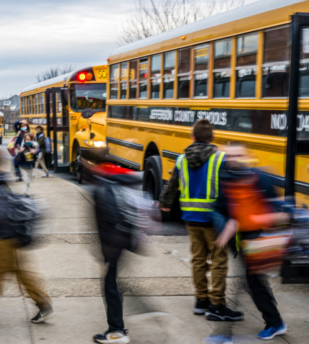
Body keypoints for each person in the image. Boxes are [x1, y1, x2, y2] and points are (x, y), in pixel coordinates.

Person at [159, 119, 243, 322]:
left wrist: (165, 204)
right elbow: (232, 188)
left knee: (198, 260)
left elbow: (172, 185)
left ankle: (201, 301)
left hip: (191, 218)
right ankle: (217, 305)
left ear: (193, 137)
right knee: (218, 262)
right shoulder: (221, 158)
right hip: (215, 220)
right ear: (213, 137)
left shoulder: (181, 160)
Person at [0, 149, 54, 325]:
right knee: (22, 273)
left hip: (6, 238)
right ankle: (44, 305)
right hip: (12, 236)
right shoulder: (0, 180)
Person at [214, 144, 289, 340]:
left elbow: (275, 212)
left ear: (247, 156)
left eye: (239, 154)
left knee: (253, 282)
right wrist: (224, 232)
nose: (234, 158)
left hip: (259, 242)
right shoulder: (225, 180)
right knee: (254, 282)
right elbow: (221, 208)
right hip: (242, 244)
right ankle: (273, 320)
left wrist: (256, 220)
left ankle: (275, 322)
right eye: (230, 155)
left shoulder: (262, 179)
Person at [91, 164, 150, 344]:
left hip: (114, 246)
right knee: (114, 283)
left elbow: (111, 219)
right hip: (125, 242)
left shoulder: (105, 187)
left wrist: (108, 252)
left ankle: (117, 331)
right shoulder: (122, 185)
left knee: (110, 285)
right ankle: (118, 327)